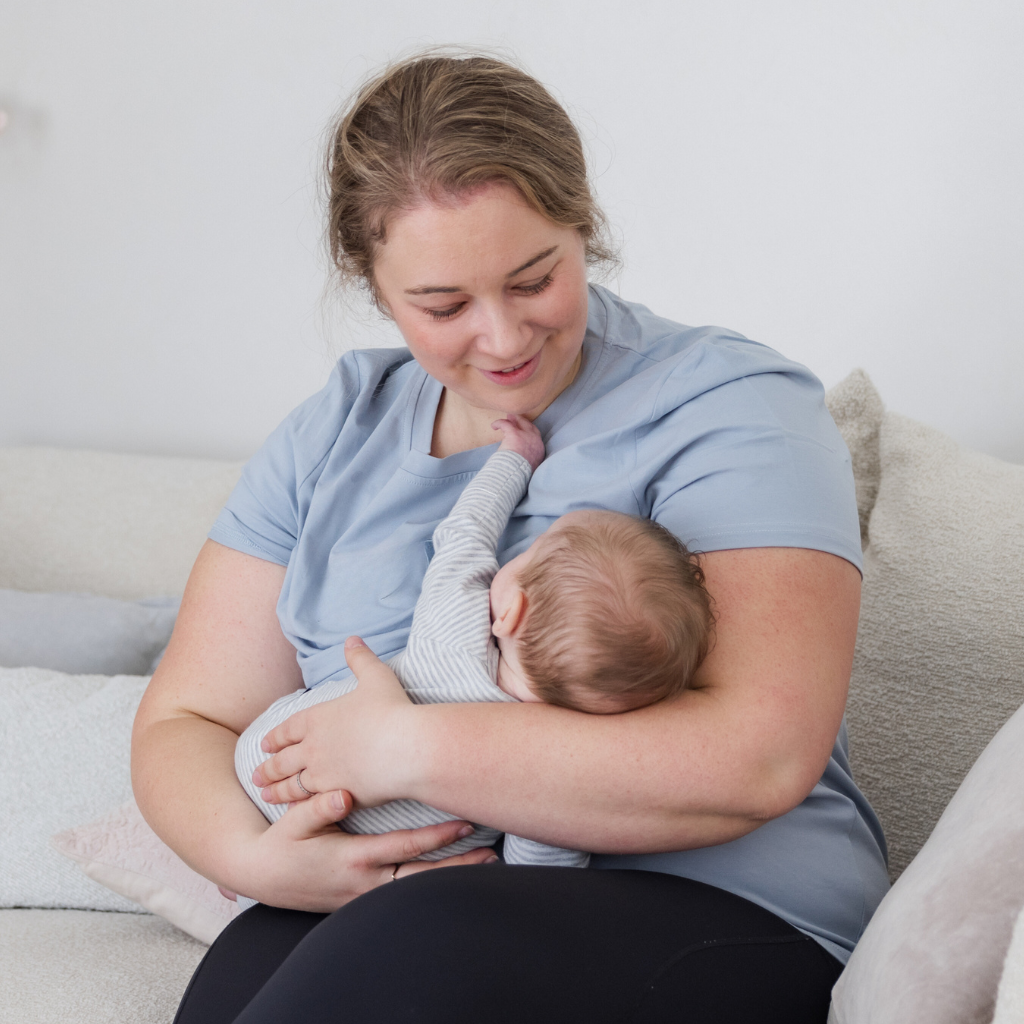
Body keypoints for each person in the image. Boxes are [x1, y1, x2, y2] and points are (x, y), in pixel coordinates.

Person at [131, 51, 890, 1024]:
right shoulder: (331, 436)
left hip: (721, 903)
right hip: (406, 892)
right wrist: (252, 858)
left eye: (534, 278)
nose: (500, 338)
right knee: (245, 980)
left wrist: (408, 749)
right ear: (374, 286)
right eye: (442, 306)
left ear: (585, 228)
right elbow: (183, 720)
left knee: (404, 947)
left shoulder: (729, 406)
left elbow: (760, 758)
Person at [233, 412, 713, 879]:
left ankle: (246, 863)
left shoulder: (455, 630)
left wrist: (515, 459)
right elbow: (537, 880)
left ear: (510, 612)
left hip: (264, 760)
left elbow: (465, 532)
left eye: (528, 552)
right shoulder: (555, 775)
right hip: (371, 867)